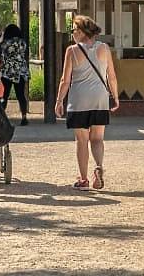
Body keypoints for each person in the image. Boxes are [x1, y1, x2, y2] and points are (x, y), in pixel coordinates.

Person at [55, 15, 119, 191]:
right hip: (100, 98)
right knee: (97, 138)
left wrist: (59, 100)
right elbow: (111, 76)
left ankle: (83, 179)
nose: (73, 34)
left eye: (74, 30)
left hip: (79, 100)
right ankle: (98, 166)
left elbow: (65, 80)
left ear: (82, 32)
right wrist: (115, 96)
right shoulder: (104, 49)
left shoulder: (72, 51)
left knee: (81, 140)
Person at [0, 23, 30, 125]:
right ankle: (24, 117)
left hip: (7, 70)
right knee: (21, 95)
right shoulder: (22, 42)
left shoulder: (6, 42)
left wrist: (1, 35)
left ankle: (2, 118)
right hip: (20, 70)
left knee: (4, 95)